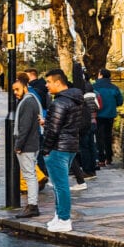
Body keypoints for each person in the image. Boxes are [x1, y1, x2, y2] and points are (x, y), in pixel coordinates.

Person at [42, 69, 84, 233]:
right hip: (70, 145)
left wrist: (46, 149)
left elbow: (54, 130)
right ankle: (58, 216)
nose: (46, 85)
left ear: (58, 82)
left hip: (58, 148)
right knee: (59, 184)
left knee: (60, 186)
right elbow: (66, 124)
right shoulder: (74, 100)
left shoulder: (59, 102)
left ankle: (64, 219)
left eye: (48, 82)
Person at [13, 74, 43, 218]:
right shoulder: (30, 101)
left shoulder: (27, 102)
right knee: (30, 175)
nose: (15, 93)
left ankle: (32, 206)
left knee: (29, 176)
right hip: (32, 143)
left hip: (28, 145)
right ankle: (32, 205)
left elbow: (24, 127)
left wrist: (18, 145)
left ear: (25, 87)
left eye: (17, 89)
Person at [93, 68, 124, 168]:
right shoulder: (114, 87)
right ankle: (109, 158)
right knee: (108, 136)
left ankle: (101, 159)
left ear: (101, 75)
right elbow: (120, 101)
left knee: (99, 137)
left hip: (98, 115)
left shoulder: (94, 87)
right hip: (110, 115)